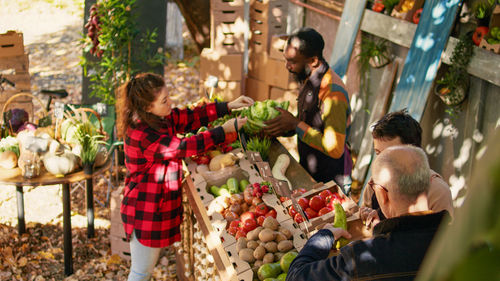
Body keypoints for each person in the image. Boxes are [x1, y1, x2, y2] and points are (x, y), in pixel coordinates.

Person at [115, 73, 253, 281]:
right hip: (146, 211)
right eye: (164, 101)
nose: (170, 103)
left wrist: (228, 106)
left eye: (168, 96)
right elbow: (181, 147)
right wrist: (222, 131)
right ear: (147, 107)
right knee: (141, 271)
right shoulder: (141, 133)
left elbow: (188, 117)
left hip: (155, 206)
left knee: (144, 268)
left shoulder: (157, 118)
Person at [286, 145, 451, 281]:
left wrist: (323, 237)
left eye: (372, 185)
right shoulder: (462, 239)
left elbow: (296, 277)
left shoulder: (365, 257)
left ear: (382, 193)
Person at [263, 27, 352, 194]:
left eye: (292, 62)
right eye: (285, 59)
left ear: (313, 61)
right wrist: (282, 128)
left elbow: (335, 148)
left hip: (332, 179)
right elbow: (309, 123)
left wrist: (295, 124)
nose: (287, 66)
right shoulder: (308, 78)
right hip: (311, 170)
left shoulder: (333, 94)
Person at [359, 110, 454, 226]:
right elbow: (365, 222)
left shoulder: (436, 191)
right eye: (378, 154)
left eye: (391, 155)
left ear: (412, 152)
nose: (382, 163)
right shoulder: (374, 185)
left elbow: (442, 240)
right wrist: (367, 215)